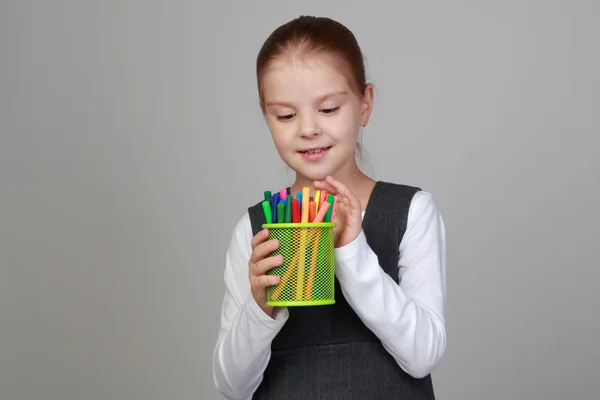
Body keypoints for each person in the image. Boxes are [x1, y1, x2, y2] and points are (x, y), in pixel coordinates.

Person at [212, 15, 446, 400]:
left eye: (329, 108)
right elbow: (231, 387)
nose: (307, 129)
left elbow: (422, 355)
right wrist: (259, 306)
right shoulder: (256, 229)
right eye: (286, 115)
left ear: (364, 104)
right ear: (266, 116)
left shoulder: (411, 212)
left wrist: (352, 250)